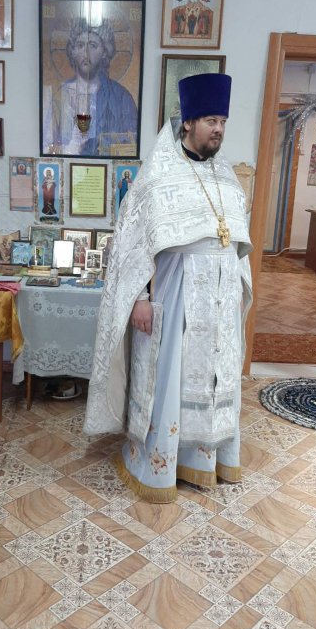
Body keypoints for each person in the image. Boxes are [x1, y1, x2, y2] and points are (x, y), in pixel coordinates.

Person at [84, 73, 252, 503]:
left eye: (222, 122)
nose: (218, 129)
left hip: (219, 300)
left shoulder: (227, 177)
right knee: (172, 381)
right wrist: (139, 298)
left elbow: (236, 243)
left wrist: (237, 290)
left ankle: (204, 461)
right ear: (188, 122)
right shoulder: (158, 176)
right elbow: (131, 244)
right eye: (211, 120)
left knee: (213, 380)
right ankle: (160, 465)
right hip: (177, 295)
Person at [46, 18, 138, 156]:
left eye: (93, 45)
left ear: (105, 52)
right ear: (72, 51)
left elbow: (133, 143)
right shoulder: (60, 96)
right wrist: (72, 146)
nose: (86, 53)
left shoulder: (121, 97)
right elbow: (48, 145)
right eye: (80, 45)